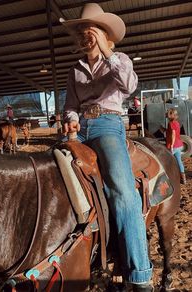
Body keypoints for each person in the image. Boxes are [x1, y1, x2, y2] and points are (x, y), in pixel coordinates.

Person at [61, 3, 153, 291]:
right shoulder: (74, 70)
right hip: (81, 131)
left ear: (104, 33)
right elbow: (70, 106)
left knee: (123, 190)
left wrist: (107, 51)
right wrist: (71, 120)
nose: (86, 34)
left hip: (108, 125)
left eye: (93, 29)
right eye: (83, 30)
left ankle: (140, 273)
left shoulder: (120, 60)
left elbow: (129, 85)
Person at [166, 108, 186, 184]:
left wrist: (171, 145)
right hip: (179, 144)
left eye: (168, 114)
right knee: (179, 161)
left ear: (171, 115)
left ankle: (170, 177)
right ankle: (183, 179)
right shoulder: (177, 123)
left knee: (167, 161)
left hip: (173, 146)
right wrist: (164, 130)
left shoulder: (171, 123)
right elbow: (172, 132)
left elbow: (173, 134)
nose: (167, 115)